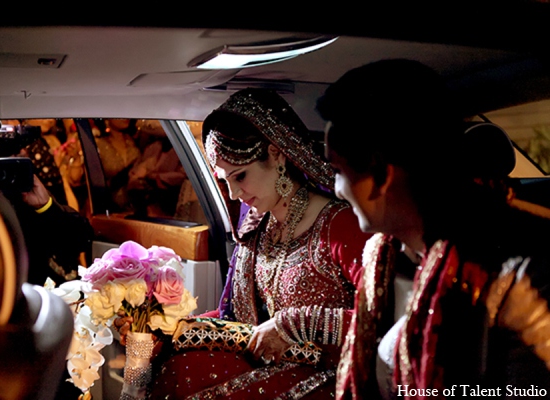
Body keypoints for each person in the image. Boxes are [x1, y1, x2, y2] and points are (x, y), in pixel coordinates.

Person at [317, 59, 550, 399]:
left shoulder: (518, 279)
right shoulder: (385, 261)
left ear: (382, 176)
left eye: (338, 170)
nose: (337, 189)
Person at [118, 88, 370, 399]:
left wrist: (295, 323)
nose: (235, 195)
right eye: (225, 181)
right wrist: (165, 324)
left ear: (276, 155)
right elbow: (235, 322)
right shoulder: (257, 226)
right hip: (273, 364)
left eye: (240, 176)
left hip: (332, 374)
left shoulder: (339, 223)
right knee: (172, 363)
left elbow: (385, 318)